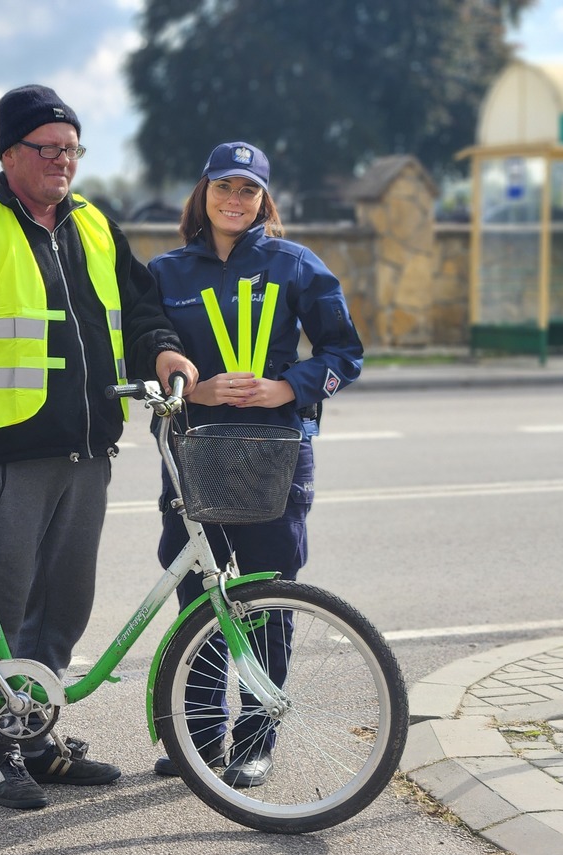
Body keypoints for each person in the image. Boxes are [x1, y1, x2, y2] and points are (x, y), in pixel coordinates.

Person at [0, 84, 197, 811]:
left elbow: (140, 310)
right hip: (3, 459)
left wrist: (163, 350)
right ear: (9, 154)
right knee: (3, 610)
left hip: (87, 454)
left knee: (63, 608)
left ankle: (38, 738)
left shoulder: (94, 225)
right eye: (47, 148)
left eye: (72, 148)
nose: (63, 161)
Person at [147, 141, 363, 786]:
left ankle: (254, 740)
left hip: (276, 452)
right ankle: (197, 738)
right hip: (195, 451)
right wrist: (197, 389)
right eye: (224, 186)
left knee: (269, 597)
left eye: (248, 189)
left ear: (265, 200)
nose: (234, 200)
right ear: (203, 192)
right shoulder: (165, 272)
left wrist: (287, 387)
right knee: (198, 596)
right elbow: (140, 352)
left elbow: (344, 353)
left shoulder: (294, 264)